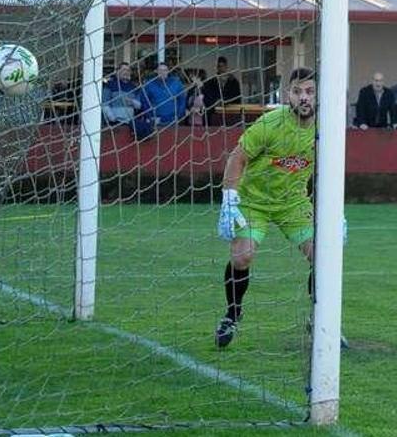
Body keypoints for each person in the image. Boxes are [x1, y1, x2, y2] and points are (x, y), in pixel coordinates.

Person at [214, 67, 344, 349]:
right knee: (242, 257)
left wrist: (337, 212)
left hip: (293, 204)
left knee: (324, 256)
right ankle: (233, 314)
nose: (304, 98)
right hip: (254, 201)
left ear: (318, 95)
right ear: (288, 95)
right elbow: (237, 158)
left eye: (309, 91)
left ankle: (320, 320)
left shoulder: (327, 128)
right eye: (298, 92)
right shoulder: (269, 123)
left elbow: (332, 170)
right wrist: (229, 198)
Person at [143, 63, 187, 128]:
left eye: (165, 70)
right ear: (156, 71)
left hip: (172, 122)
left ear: (168, 71)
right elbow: (144, 102)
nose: (162, 72)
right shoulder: (149, 85)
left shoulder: (177, 84)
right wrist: (149, 117)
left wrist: (178, 117)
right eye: (160, 70)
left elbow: (182, 101)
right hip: (155, 121)